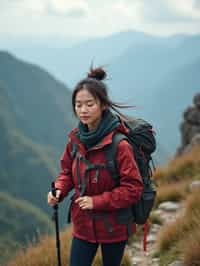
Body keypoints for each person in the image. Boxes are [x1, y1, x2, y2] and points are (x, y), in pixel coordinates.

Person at [47, 67, 143, 266]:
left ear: (103, 105)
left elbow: (133, 189)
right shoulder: (75, 139)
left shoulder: (119, 144)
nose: (83, 110)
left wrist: (96, 201)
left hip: (114, 227)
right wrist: (59, 189)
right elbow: (67, 172)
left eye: (89, 104)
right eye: (78, 105)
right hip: (83, 225)